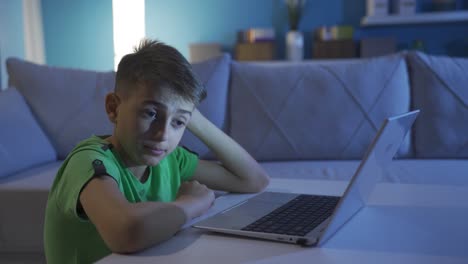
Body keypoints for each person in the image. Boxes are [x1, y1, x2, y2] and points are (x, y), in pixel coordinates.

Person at [44, 39, 270, 263]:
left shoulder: (171, 159)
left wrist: (195, 119)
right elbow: (125, 231)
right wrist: (192, 203)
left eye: (178, 123)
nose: (163, 135)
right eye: (150, 113)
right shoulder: (88, 160)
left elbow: (253, 180)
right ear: (113, 108)